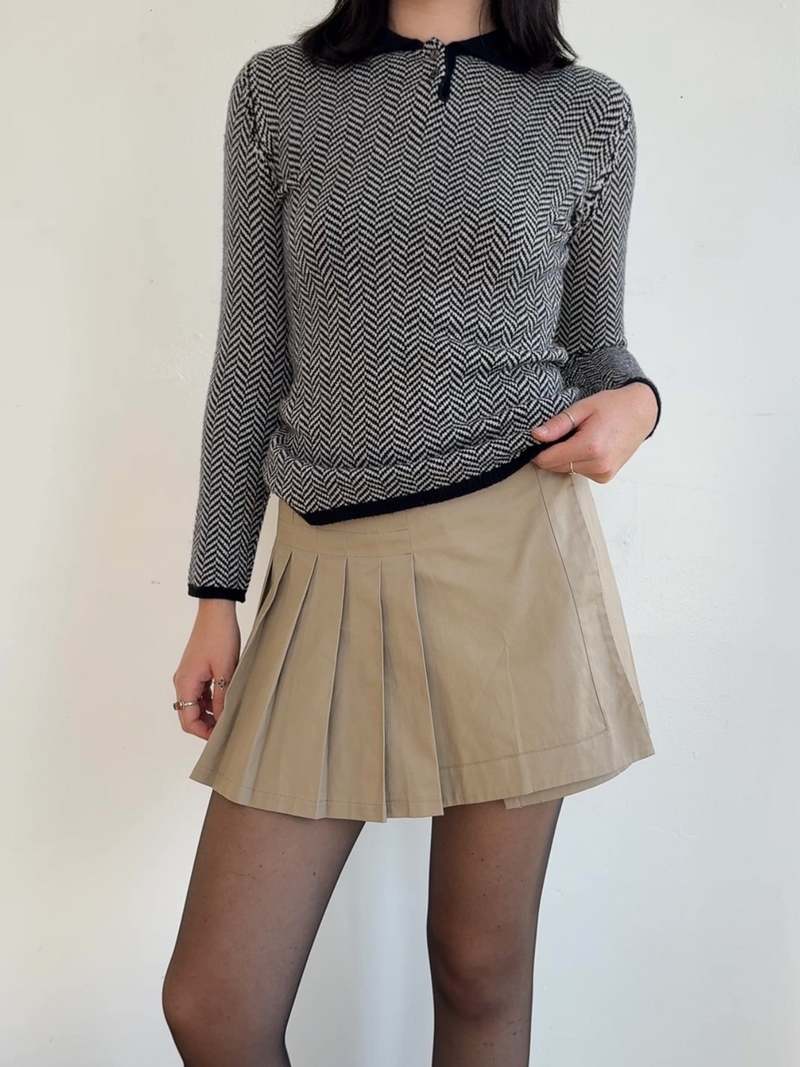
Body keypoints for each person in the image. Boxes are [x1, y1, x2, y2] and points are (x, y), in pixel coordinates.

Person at [163, 1, 660, 1063]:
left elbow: (595, 345)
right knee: (215, 1003)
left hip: (514, 562)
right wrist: (216, 589)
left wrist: (641, 403)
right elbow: (251, 352)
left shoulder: (587, 113)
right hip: (325, 567)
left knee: (479, 970)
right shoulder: (278, 93)